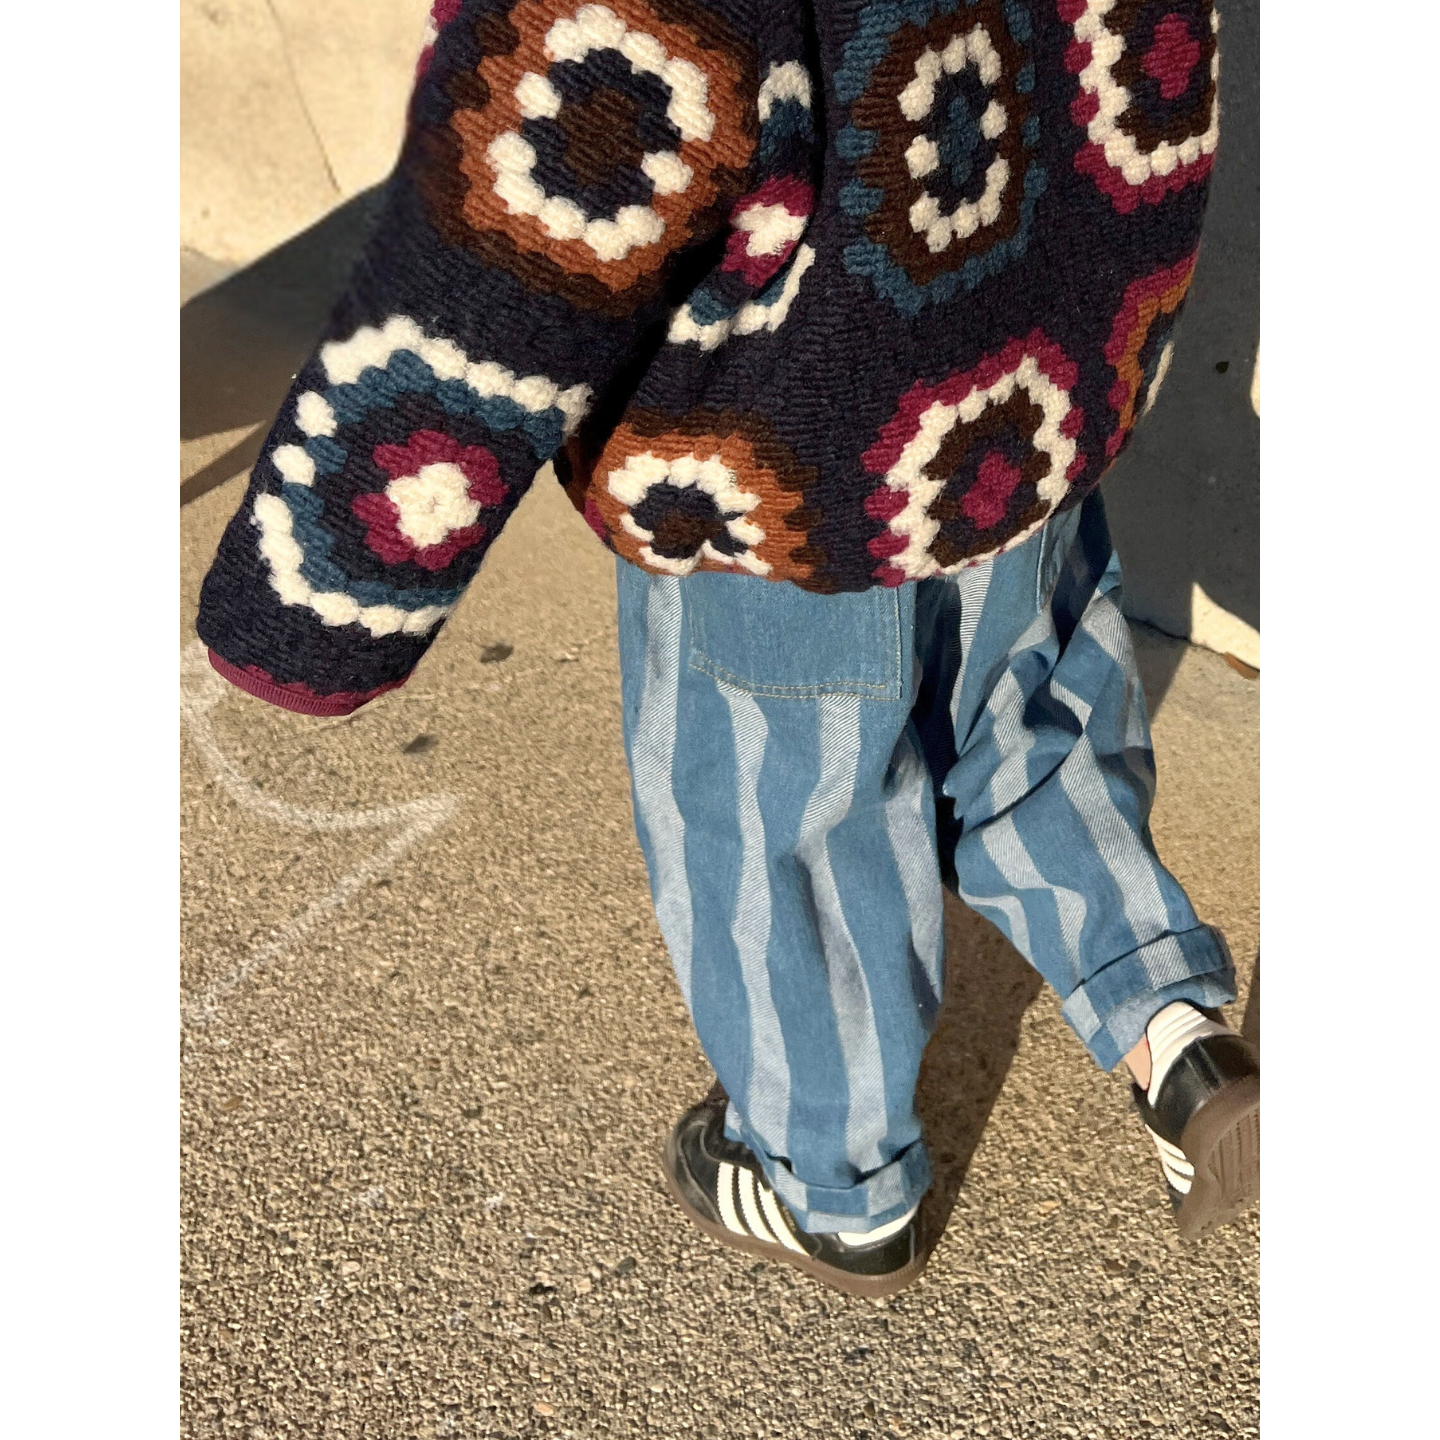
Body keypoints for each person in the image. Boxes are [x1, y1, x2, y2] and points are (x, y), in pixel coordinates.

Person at [195, 0, 1257, 1296]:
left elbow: (533, 197)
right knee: (1032, 727)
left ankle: (836, 1183)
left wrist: (313, 602)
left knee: (784, 840)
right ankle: (1173, 1029)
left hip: (780, 470)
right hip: (1018, 407)